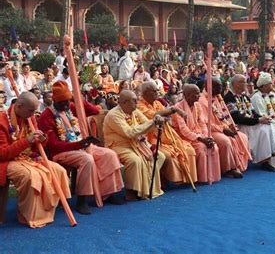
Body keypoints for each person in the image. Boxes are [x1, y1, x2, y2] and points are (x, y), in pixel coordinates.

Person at [38, 81, 125, 214]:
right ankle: (81, 200)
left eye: (67, 101)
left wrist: (78, 98)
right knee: (87, 159)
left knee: (109, 154)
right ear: (54, 101)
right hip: (62, 152)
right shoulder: (46, 116)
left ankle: (108, 193)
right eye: (62, 103)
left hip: (82, 146)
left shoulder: (72, 106)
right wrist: (80, 144)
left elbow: (95, 110)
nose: (66, 105)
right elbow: (54, 145)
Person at [0, 92, 70, 228]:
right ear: (19, 106)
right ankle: (28, 216)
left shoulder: (30, 118)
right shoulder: (2, 121)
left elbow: (36, 147)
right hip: (7, 161)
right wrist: (27, 140)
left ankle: (47, 211)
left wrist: (42, 140)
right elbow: (2, 153)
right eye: (31, 111)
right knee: (31, 177)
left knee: (58, 170)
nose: (33, 115)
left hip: (28, 157)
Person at [103, 90, 166, 200]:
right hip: (119, 146)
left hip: (137, 144)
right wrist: (152, 123)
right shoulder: (114, 115)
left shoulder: (134, 110)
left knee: (160, 156)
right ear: (124, 102)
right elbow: (129, 132)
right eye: (134, 101)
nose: (137, 103)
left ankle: (148, 185)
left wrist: (156, 121)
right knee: (135, 160)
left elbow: (147, 123)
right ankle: (132, 191)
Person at [137, 81, 198, 185]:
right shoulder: (139, 105)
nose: (158, 93)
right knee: (170, 155)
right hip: (152, 138)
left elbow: (165, 116)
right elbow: (154, 115)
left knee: (188, 150)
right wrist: (174, 109)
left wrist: (167, 115)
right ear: (146, 93)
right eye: (155, 91)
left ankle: (187, 179)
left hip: (168, 135)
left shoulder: (158, 103)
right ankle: (174, 180)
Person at [224, 74, 275, 171]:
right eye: (244, 82)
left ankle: (268, 157)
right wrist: (258, 120)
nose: (246, 84)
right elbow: (236, 118)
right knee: (264, 128)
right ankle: (269, 156)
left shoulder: (245, 97)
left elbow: (253, 113)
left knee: (267, 124)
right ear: (236, 84)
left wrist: (262, 118)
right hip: (240, 125)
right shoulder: (229, 98)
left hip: (249, 123)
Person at [198, 77, 250, 178]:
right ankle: (229, 168)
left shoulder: (217, 98)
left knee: (242, 136)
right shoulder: (202, 101)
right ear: (209, 86)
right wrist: (223, 129)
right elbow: (205, 123)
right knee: (225, 141)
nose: (221, 89)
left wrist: (229, 126)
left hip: (221, 127)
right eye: (218, 86)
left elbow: (223, 116)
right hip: (209, 131)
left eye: (221, 86)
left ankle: (239, 164)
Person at [171, 84, 221, 183]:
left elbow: (202, 123)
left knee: (213, 146)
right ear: (188, 95)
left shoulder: (197, 105)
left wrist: (207, 136)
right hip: (183, 138)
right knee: (201, 148)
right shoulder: (178, 107)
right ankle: (201, 178)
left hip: (199, 135)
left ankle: (211, 176)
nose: (199, 95)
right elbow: (184, 130)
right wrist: (200, 139)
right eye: (196, 93)